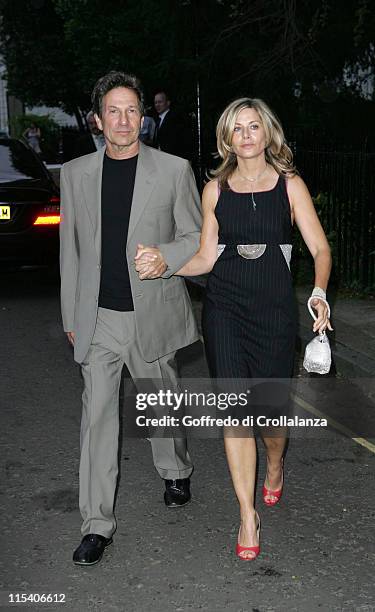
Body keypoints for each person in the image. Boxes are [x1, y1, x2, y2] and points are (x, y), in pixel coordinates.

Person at [139, 97, 332, 560]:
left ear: (267, 133)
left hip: (273, 313)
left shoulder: (290, 186)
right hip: (224, 308)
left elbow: (320, 250)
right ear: (227, 138)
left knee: (269, 418)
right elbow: (206, 256)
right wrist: (168, 264)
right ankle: (247, 513)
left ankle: (276, 462)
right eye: (237, 129)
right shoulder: (215, 189)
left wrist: (319, 292)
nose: (246, 135)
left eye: (253, 127)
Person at [59, 70, 202, 566]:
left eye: (133, 110)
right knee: (96, 420)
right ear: (98, 120)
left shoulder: (173, 169)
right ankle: (96, 525)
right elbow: (70, 252)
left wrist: (165, 255)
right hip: (98, 318)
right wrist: (70, 314)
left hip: (151, 314)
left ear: (143, 116)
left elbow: (195, 238)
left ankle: (175, 469)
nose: (124, 120)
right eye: (114, 111)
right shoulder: (75, 174)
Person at [153, 90, 192, 160]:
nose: (157, 105)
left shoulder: (175, 119)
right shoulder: (158, 120)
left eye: (160, 102)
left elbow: (181, 141)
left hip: (173, 158)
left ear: (168, 103)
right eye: (155, 102)